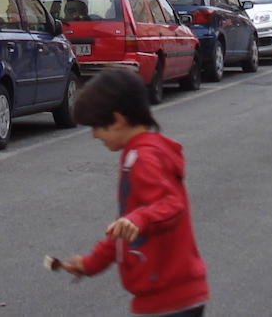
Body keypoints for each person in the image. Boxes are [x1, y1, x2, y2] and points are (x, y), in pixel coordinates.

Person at [53, 67, 209, 317]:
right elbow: (126, 227)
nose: (94, 135)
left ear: (117, 120)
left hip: (169, 298)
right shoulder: (138, 153)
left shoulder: (144, 158)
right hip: (165, 296)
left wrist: (138, 219)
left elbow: (171, 204)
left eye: (96, 127)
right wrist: (92, 263)